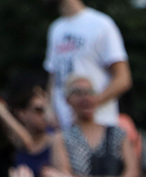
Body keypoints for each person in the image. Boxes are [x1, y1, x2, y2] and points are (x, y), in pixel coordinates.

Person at [44, 0, 131, 132]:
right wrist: (49, 108)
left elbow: (123, 78)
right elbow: (54, 76)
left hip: (98, 128)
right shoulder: (56, 28)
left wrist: (90, 103)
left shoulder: (101, 24)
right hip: (65, 130)